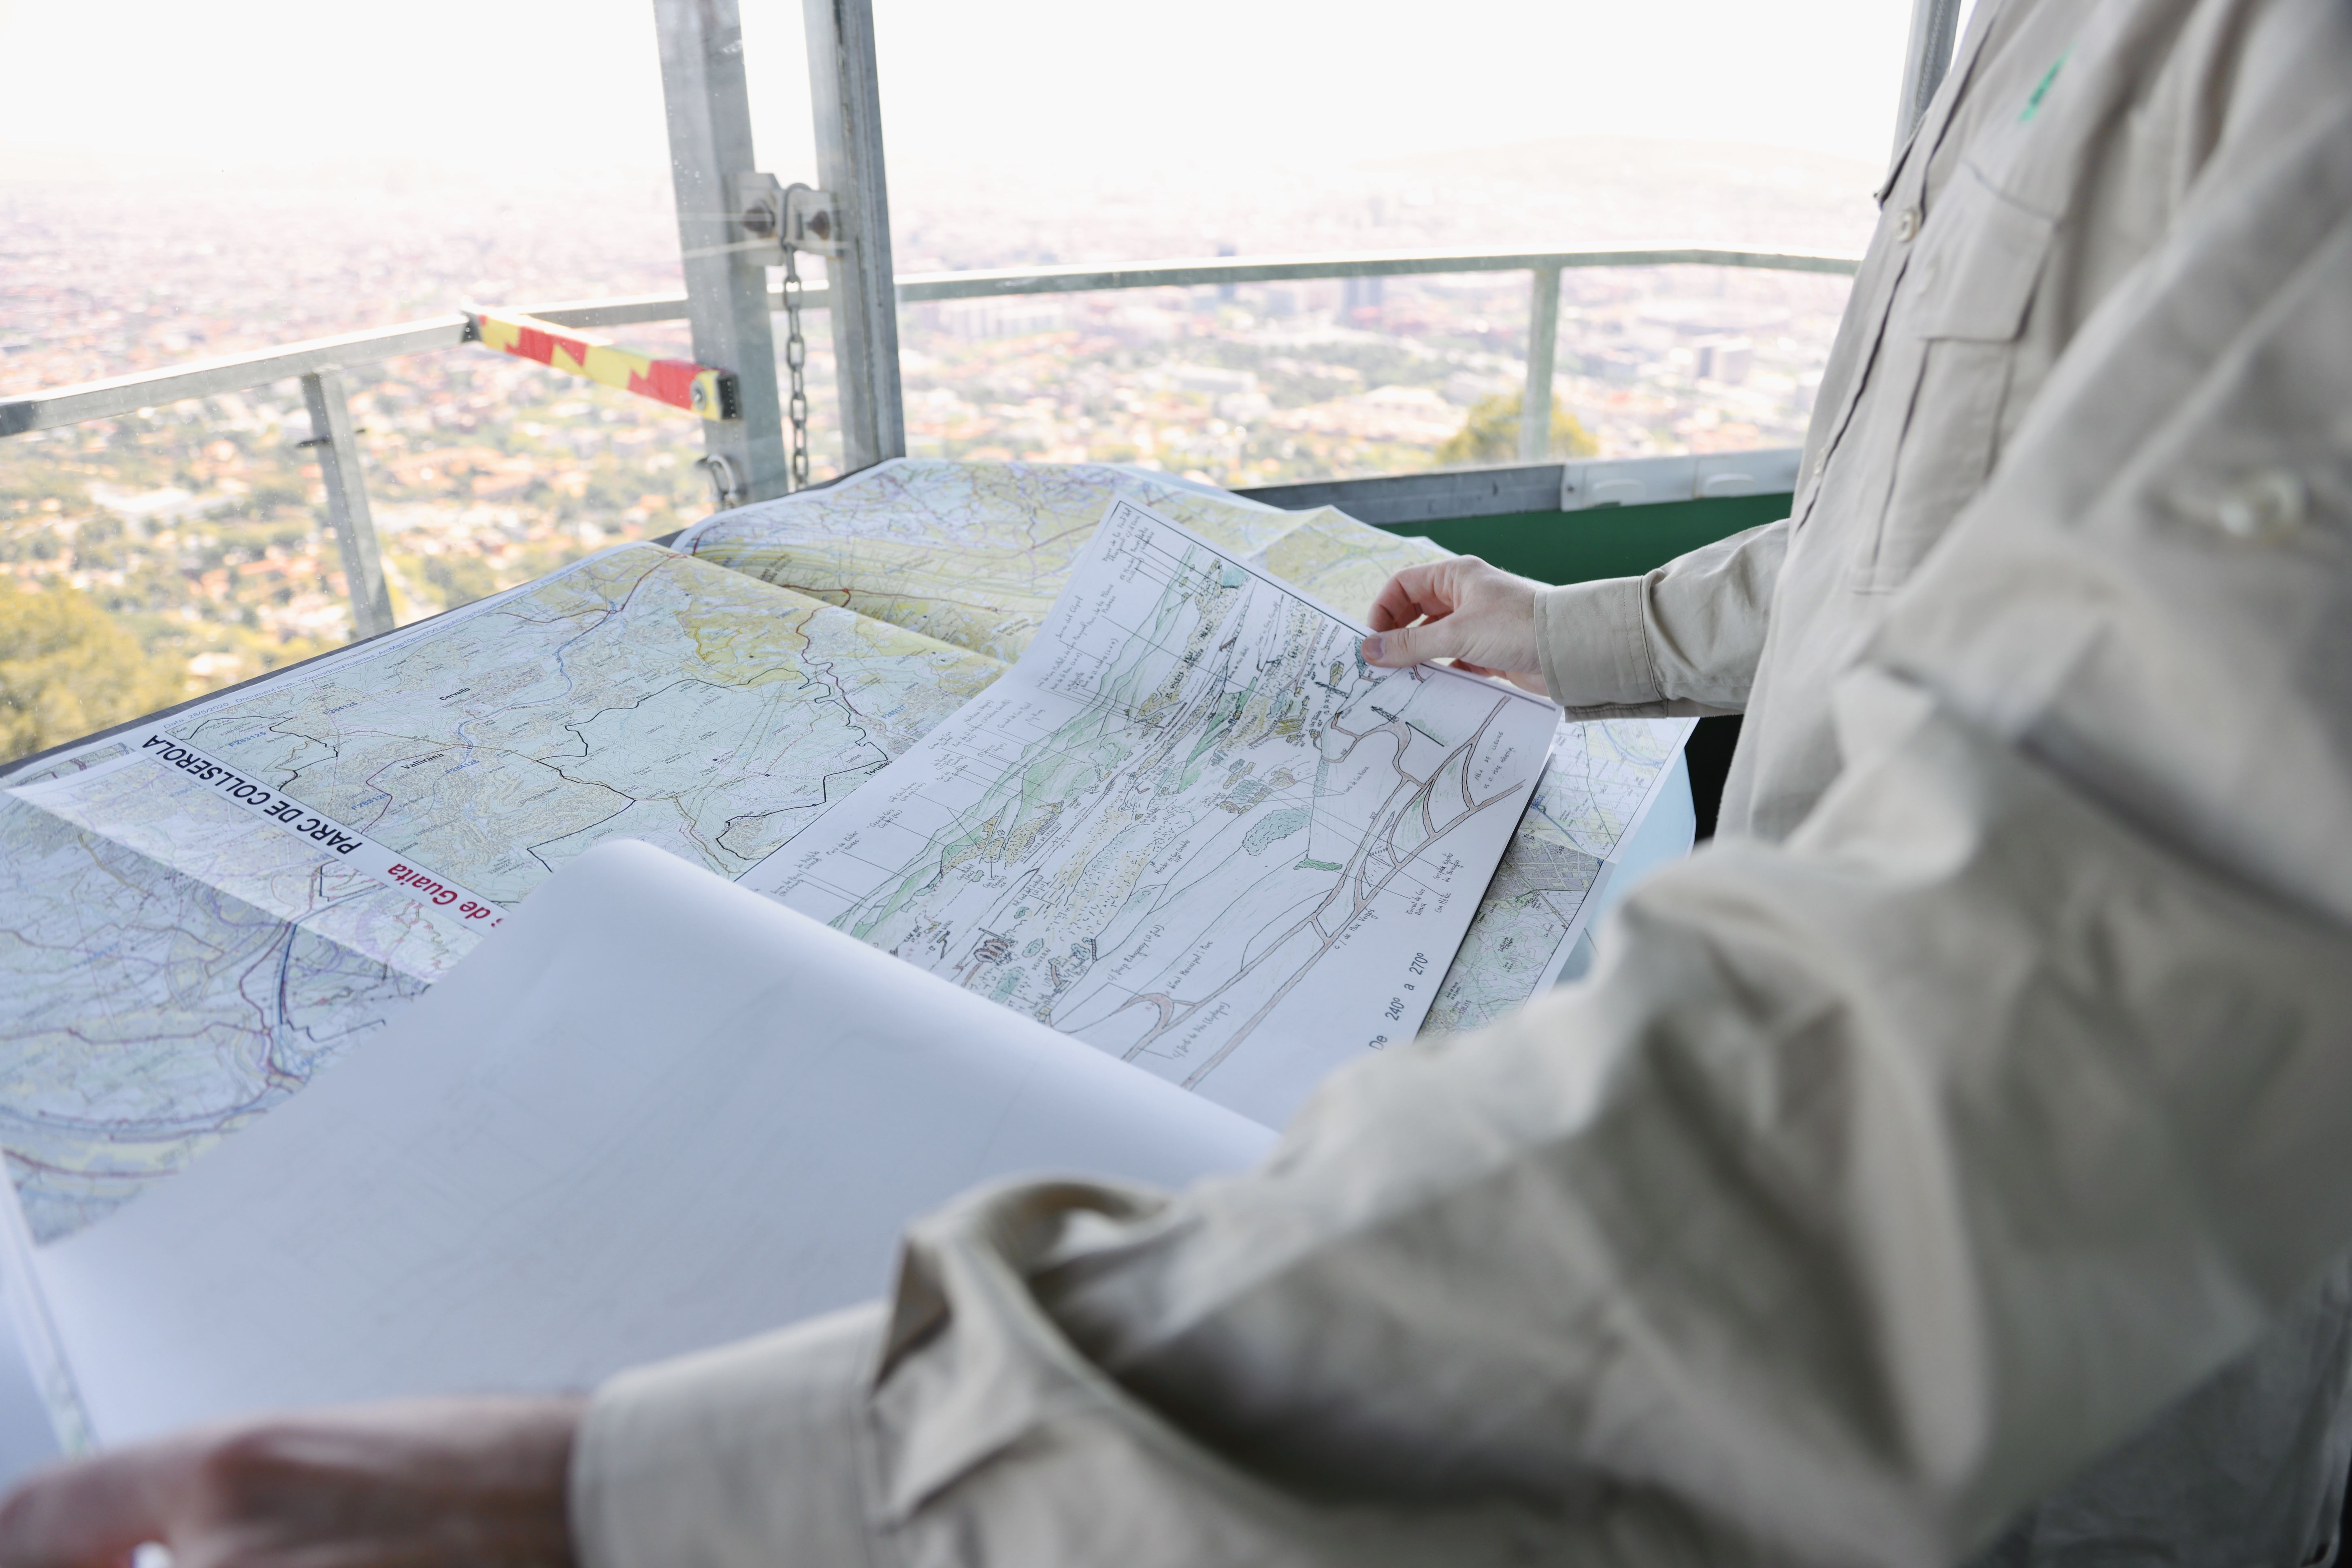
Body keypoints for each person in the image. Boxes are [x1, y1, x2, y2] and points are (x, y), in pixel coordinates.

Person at [6, 0, 2350, 1563]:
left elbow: (2007, 1052)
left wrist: (701, 1490)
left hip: (2025, 1422)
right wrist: (1595, 629)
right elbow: (1962, 533)